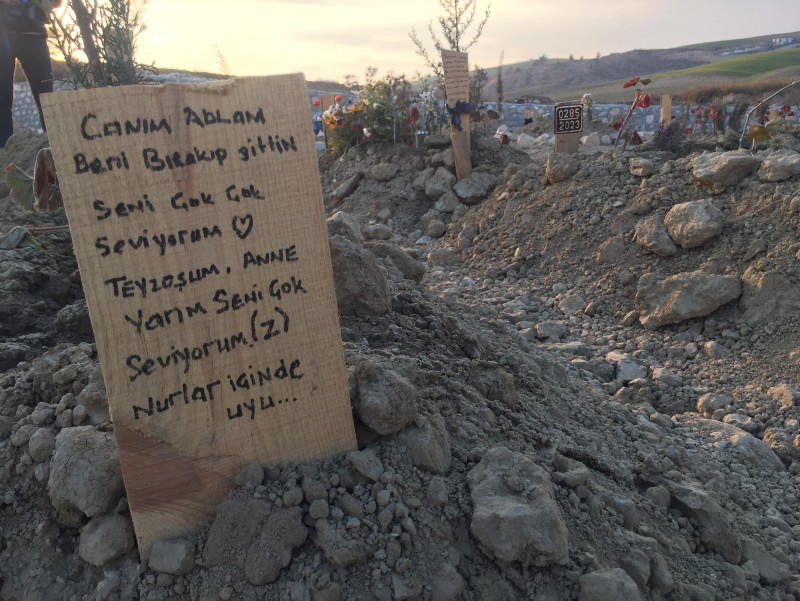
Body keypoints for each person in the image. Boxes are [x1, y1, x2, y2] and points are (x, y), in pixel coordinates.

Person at [0, 0, 59, 148]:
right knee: (1, 102)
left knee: (46, 98)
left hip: (33, 35)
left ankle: (57, 149)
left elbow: (56, 2)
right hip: (3, 35)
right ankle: (4, 157)